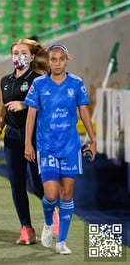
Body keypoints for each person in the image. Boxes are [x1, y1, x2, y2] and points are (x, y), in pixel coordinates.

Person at [24, 44, 96, 254]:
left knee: (67, 194)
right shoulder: (38, 84)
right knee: (51, 194)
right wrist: (28, 143)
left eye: (61, 59)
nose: (57, 63)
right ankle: (48, 222)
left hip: (70, 146)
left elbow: (84, 111)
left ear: (67, 60)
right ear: (48, 61)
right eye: (53, 59)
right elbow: (31, 115)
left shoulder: (76, 83)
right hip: (46, 146)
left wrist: (93, 139)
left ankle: (62, 241)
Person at [0, 38, 49, 245]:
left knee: (38, 184)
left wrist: (25, 104)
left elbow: (46, 106)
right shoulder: (5, 80)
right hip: (12, 137)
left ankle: (53, 220)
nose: (18, 56)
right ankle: (27, 228)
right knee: (17, 185)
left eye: (23, 53)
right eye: (15, 53)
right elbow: (5, 105)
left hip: (34, 138)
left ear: (32, 56)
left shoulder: (39, 79)